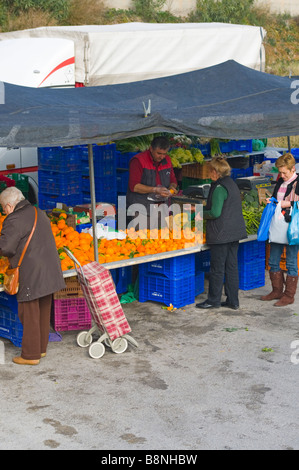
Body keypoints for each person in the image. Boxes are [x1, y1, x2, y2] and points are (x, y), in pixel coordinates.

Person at [0, 187, 65, 365]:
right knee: (43, 311)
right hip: (50, 270)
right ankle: (41, 349)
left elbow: (6, 248)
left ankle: (30, 355)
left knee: (28, 313)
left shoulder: (13, 219)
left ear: (9, 205)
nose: (3, 212)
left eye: (3, 208)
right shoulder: (39, 212)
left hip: (31, 272)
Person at [196, 157, 247, 310]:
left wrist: (199, 213)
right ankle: (233, 300)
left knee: (217, 268)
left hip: (221, 234)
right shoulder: (231, 183)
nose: (208, 173)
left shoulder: (219, 188)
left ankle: (213, 300)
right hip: (234, 232)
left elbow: (215, 212)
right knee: (231, 266)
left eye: (210, 170)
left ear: (215, 172)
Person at [261, 153, 299, 306]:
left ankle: (289, 295)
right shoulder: (279, 182)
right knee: (273, 260)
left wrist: (288, 204)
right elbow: (278, 199)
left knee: (290, 262)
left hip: (292, 228)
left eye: (285, 172)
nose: (281, 175)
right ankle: (276, 291)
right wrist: (273, 201)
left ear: (293, 168)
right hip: (277, 226)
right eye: (280, 172)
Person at [126, 136, 178, 230]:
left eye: (164, 154)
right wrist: (154, 189)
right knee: (143, 239)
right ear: (151, 149)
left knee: (162, 239)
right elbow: (134, 186)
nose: (162, 157)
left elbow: (173, 180)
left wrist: (171, 189)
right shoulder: (138, 161)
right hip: (142, 208)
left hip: (162, 207)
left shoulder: (167, 160)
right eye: (159, 153)